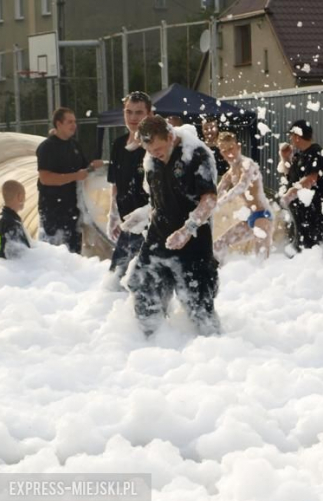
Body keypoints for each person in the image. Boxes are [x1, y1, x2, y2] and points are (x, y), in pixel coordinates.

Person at [123, 115, 220, 336]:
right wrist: (143, 214)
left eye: (158, 149)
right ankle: (150, 343)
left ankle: (210, 349)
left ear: (170, 135)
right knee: (143, 293)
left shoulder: (196, 154)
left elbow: (209, 200)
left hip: (193, 242)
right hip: (158, 238)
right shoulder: (151, 159)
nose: (155, 154)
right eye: (150, 151)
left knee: (199, 308)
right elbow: (160, 199)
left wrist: (188, 229)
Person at [36, 107, 104, 254]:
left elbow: (82, 170)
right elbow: (45, 178)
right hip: (53, 210)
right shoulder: (47, 148)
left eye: (75, 122)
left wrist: (92, 167)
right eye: (69, 122)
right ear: (58, 124)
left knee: (74, 252)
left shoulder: (74, 145)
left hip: (73, 209)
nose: (74, 125)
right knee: (55, 252)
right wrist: (74, 176)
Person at [106, 91, 151, 284]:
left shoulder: (153, 146)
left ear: (149, 114)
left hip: (148, 224)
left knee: (137, 281)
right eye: (129, 112)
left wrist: (146, 214)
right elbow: (116, 184)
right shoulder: (118, 145)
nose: (133, 117)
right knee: (114, 279)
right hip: (126, 222)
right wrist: (112, 215)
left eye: (139, 112)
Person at [278, 120, 323, 249]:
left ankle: (321, 255)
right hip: (302, 211)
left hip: (316, 209)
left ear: (297, 136)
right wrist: (285, 158)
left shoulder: (315, 152)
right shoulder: (299, 155)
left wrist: (289, 195)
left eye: (291, 135)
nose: (290, 139)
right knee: (301, 241)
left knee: (315, 242)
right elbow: (290, 177)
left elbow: (311, 179)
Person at [213, 131, 273, 261]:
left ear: (238, 147)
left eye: (231, 148)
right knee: (218, 245)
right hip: (249, 218)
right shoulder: (230, 173)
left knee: (261, 261)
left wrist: (220, 203)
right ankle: (219, 271)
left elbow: (242, 186)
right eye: (224, 151)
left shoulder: (247, 164)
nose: (229, 154)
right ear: (221, 153)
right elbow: (216, 194)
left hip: (262, 215)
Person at [0, 180, 31, 259]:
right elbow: (18, 257)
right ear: (20, 196)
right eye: (24, 195)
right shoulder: (12, 224)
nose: (25, 199)